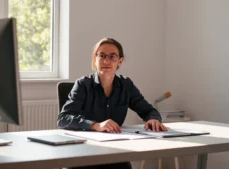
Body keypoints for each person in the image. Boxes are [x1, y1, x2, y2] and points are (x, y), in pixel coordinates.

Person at [57, 38, 167, 169]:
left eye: (112, 57)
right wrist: (95, 125)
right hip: (85, 151)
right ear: (95, 59)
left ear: (120, 61)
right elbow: (63, 119)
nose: (106, 61)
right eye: (101, 56)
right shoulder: (82, 85)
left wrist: (153, 119)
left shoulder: (126, 85)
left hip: (114, 150)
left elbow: (148, 110)